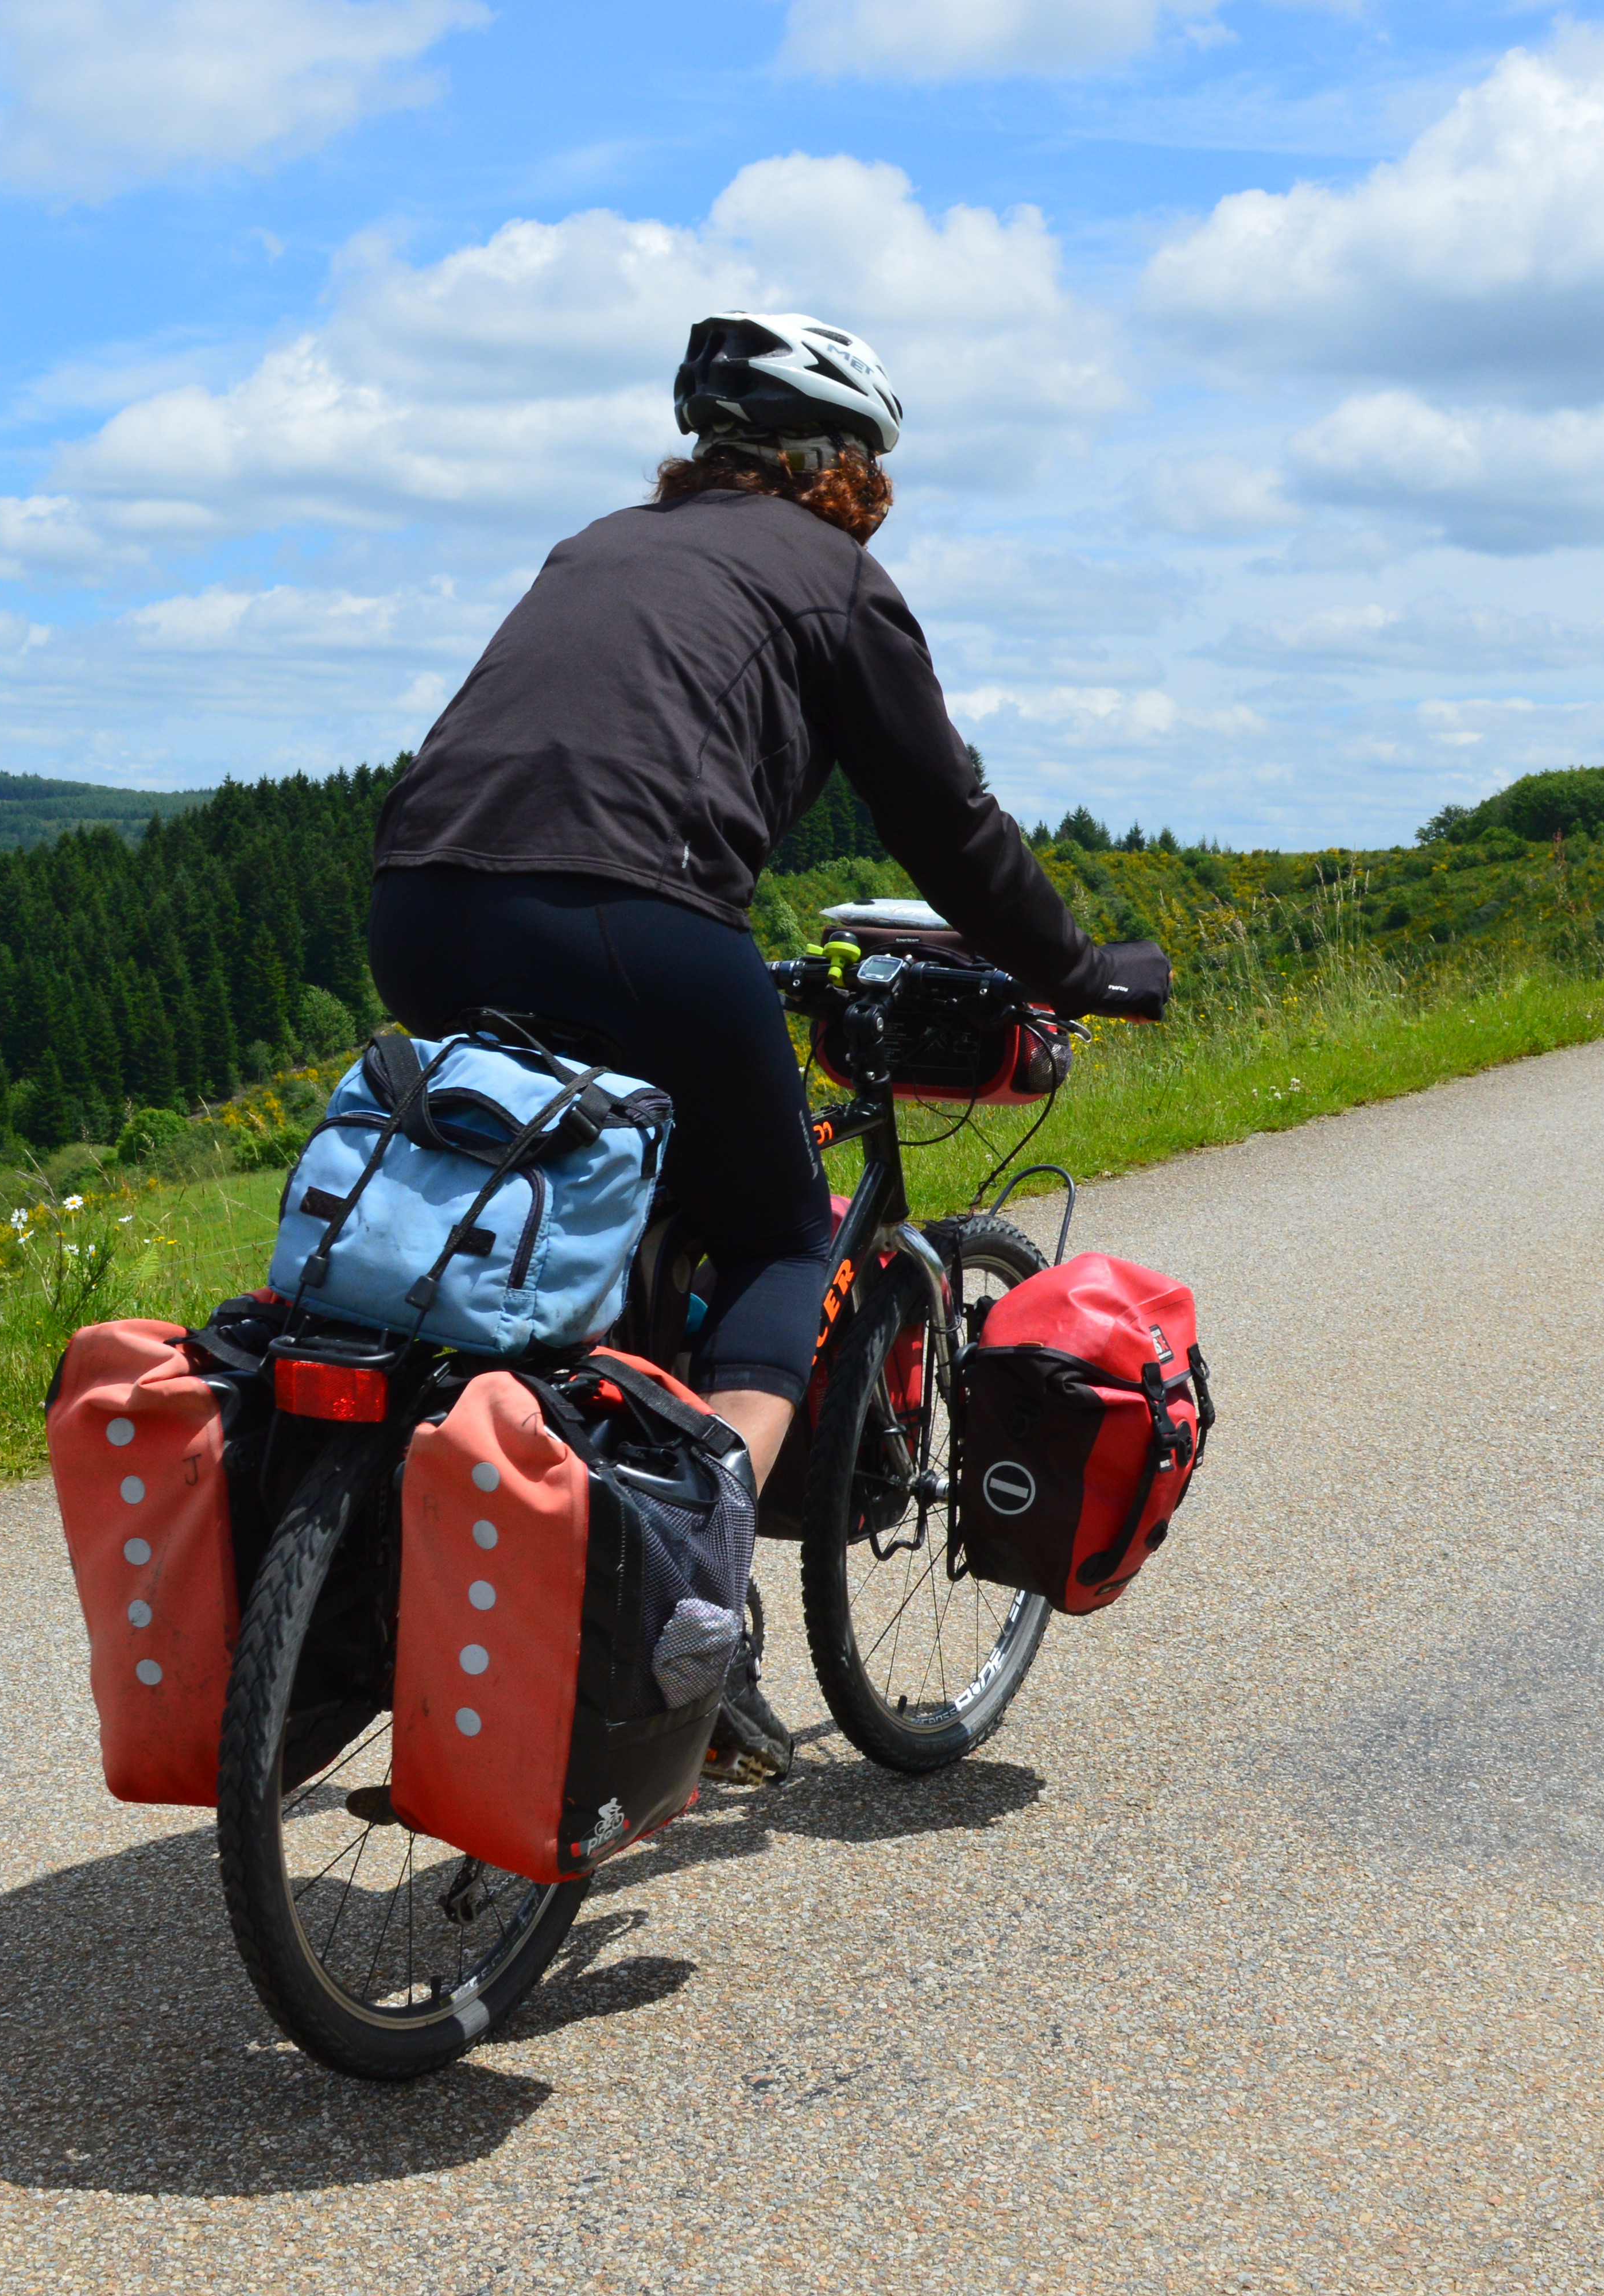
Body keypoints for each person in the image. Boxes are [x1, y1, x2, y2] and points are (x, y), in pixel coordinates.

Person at [367, 309, 1171, 1779]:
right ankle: (686, 1592)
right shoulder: (836, 580)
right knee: (784, 1237)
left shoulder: (596, 543)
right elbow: (949, 828)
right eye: (874, 466)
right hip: (630, 912)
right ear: (842, 465)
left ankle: (528, 1451)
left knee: (597, 1195)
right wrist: (1075, 966)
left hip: (415, 903)